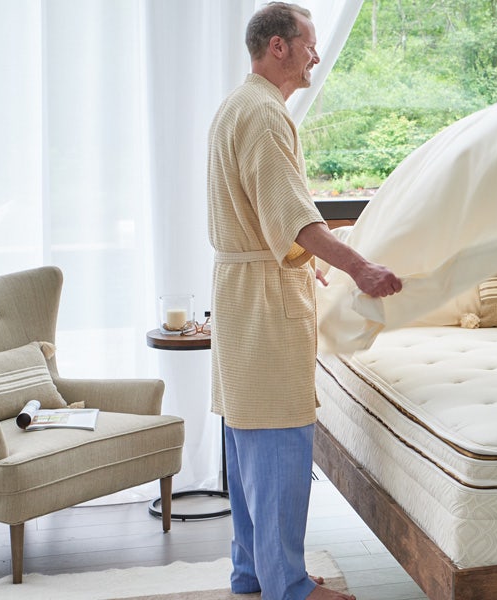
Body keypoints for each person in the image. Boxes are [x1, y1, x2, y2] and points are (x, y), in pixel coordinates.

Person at [206, 3, 401, 599]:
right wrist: (359, 267)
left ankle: (251, 573)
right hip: (263, 304)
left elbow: (265, 214)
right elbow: (294, 219)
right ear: (279, 47)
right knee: (280, 445)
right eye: (309, 44)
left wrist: (310, 264)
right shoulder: (264, 116)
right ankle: (287, 585)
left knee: (248, 448)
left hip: (242, 296)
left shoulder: (239, 106)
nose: (317, 55)